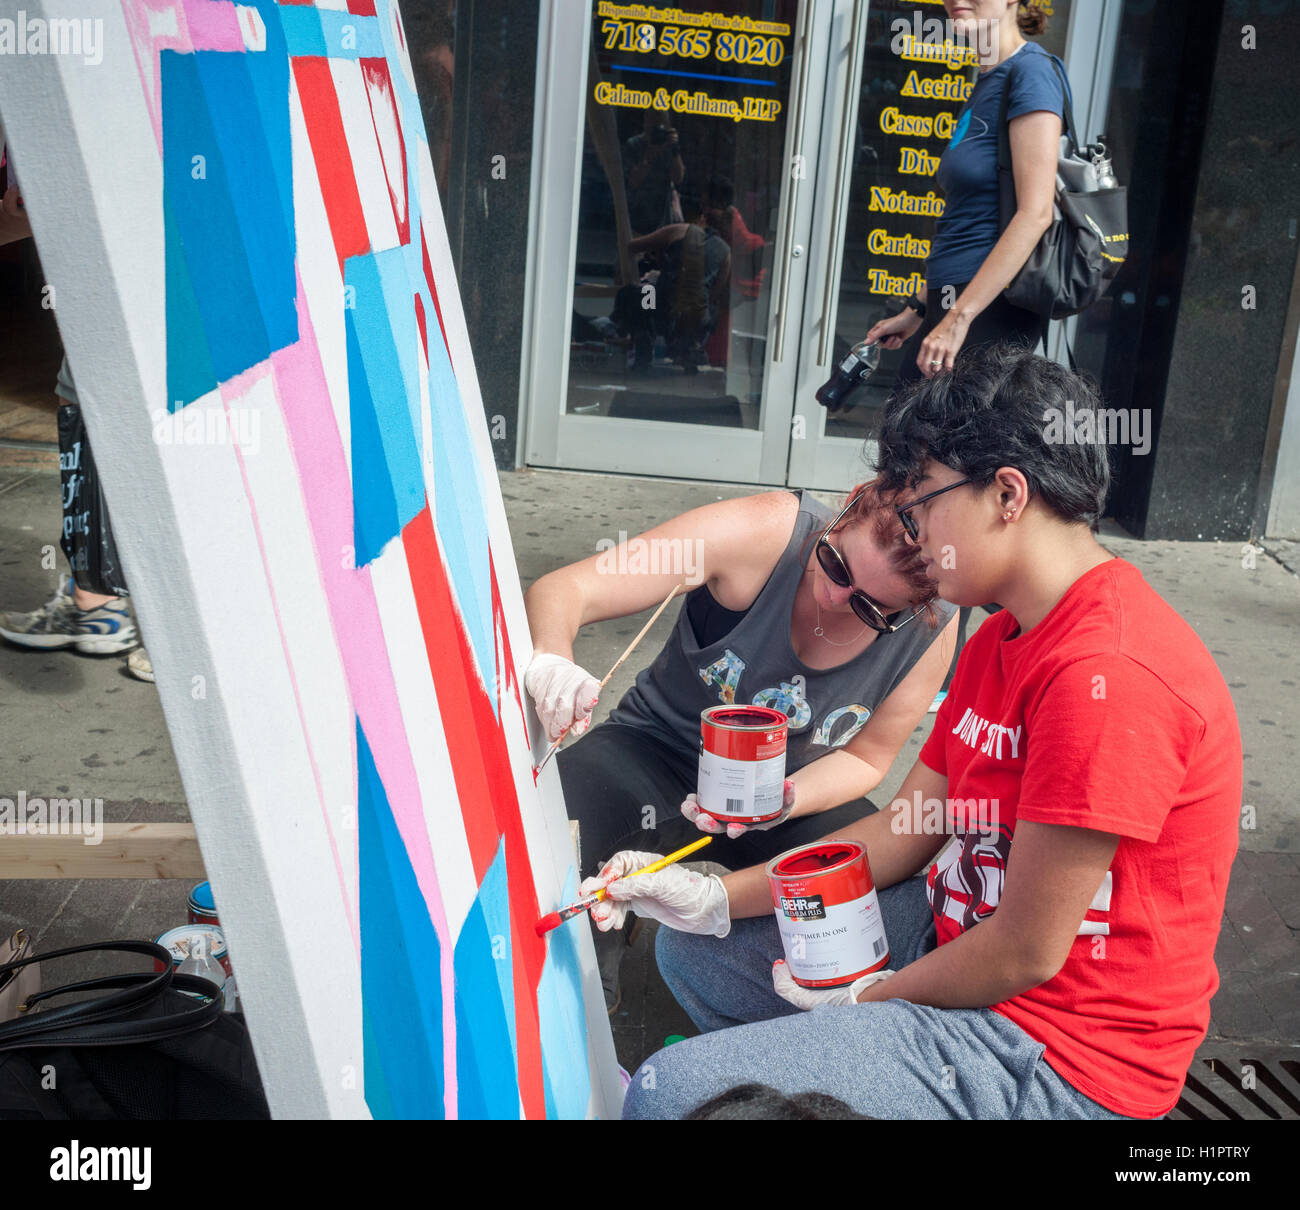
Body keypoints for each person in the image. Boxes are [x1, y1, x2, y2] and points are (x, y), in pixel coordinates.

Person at [598, 344, 1242, 1120]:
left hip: (1054, 1052)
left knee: (673, 1094)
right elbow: (906, 833)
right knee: (698, 952)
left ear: (1007, 493)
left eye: (925, 502)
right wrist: (710, 898)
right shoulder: (1002, 635)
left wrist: (873, 999)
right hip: (948, 934)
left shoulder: (1106, 674)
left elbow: (1026, 952)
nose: (910, 527)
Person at [523, 484, 959, 1010]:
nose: (833, 598)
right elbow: (567, 590)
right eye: (837, 565)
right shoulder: (764, 531)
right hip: (654, 747)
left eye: (871, 608)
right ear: (846, 511)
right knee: (551, 845)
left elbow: (868, 757)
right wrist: (553, 661)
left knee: (867, 896)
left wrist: (786, 797)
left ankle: (772, 1007)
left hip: (783, 789)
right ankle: (594, 1001)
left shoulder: (932, 627)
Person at [866, 0, 1069, 703]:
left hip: (985, 323)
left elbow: (1034, 211)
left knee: (947, 485)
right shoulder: (984, 81)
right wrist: (921, 313)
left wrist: (958, 320)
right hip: (953, 315)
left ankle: (969, 666)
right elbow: (968, 221)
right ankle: (912, 646)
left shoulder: (1031, 74)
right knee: (917, 475)